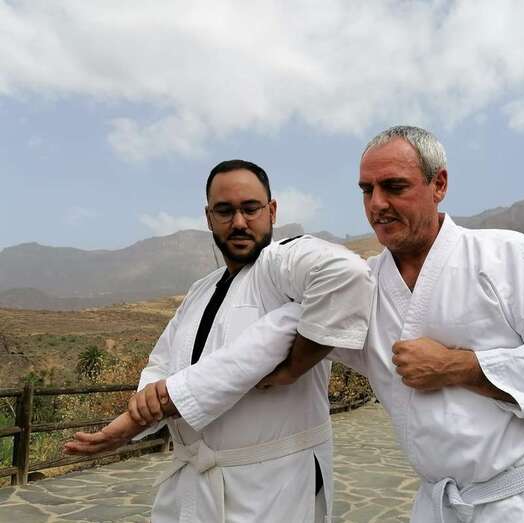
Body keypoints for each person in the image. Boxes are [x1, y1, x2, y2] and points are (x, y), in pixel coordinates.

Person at [80, 127, 524, 522]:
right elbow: (282, 329)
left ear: (439, 184)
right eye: (366, 190)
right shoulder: (367, 286)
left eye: (394, 186)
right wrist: (165, 399)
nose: (377, 204)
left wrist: (463, 367)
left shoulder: (507, 256)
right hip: (440, 504)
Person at [64, 159, 374, 523]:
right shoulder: (201, 290)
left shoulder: (279, 267)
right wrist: (149, 403)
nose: (239, 222)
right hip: (191, 485)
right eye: (225, 211)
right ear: (209, 218)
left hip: (272, 489)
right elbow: (162, 362)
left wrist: (294, 366)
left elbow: (346, 273)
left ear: (272, 211)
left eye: (251, 208)